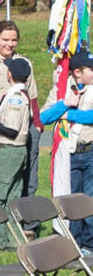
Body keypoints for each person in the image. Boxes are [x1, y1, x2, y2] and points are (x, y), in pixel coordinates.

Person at [40, 48, 93, 251]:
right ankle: (73, 240)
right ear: (77, 72)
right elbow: (44, 118)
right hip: (68, 154)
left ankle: (89, 242)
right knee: (71, 198)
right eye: (91, 69)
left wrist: (70, 116)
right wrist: (65, 104)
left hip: (89, 150)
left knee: (89, 198)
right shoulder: (62, 89)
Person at [0, 19, 43, 211]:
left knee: (29, 176)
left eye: (14, 40)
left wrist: (37, 127)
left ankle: (27, 224)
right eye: (5, 39)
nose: (10, 44)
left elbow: (33, 98)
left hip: (24, 127)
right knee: (0, 180)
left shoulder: (24, 63)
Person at [0, 56, 31, 245]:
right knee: (12, 197)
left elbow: (10, 129)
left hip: (9, 151)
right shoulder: (17, 94)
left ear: (9, 74)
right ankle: (14, 240)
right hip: (15, 152)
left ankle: (0, 240)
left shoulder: (16, 99)